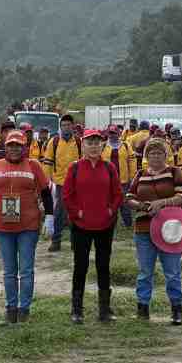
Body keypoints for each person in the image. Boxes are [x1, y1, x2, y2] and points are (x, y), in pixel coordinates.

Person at [0, 129, 51, 324]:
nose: (14, 149)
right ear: (5, 146)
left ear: (24, 147)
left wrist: (50, 217)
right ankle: (11, 308)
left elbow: (45, 192)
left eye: (18, 146)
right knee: (9, 271)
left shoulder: (34, 165)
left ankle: (24, 309)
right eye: (11, 145)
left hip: (28, 225)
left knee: (26, 269)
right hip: (3, 227)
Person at [125, 138, 182, 325]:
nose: (155, 156)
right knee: (145, 271)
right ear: (146, 156)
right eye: (151, 153)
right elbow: (129, 198)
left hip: (170, 230)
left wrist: (162, 203)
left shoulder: (174, 172)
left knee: (172, 272)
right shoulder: (140, 174)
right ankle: (142, 308)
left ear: (166, 154)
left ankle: (176, 310)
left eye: (159, 153)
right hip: (144, 229)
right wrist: (142, 206)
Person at [62, 128, 123, 324]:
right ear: (83, 145)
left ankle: (104, 309)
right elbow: (67, 195)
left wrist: (110, 211)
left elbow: (117, 194)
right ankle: (77, 309)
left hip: (104, 225)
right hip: (81, 226)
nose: (94, 146)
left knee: (103, 266)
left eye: (97, 142)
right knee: (81, 266)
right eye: (90, 142)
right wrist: (76, 213)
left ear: (102, 145)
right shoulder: (75, 168)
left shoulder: (109, 167)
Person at [42, 114, 82, 251]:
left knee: (75, 213)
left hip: (77, 184)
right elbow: (47, 162)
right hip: (60, 183)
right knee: (59, 212)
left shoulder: (79, 142)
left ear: (73, 126)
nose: (66, 127)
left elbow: (84, 162)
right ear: (60, 127)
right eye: (63, 125)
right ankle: (56, 241)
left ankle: (75, 241)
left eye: (68, 125)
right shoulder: (54, 142)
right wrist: (45, 182)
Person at [101, 125, 138, 228]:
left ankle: (128, 224)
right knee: (109, 203)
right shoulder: (103, 146)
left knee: (124, 203)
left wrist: (132, 176)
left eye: (114, 133)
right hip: (107, 181)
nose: (112, 135)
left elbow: (132, 161)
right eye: (110, 133)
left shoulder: (126, 145)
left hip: (123, 180)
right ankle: (110, 223)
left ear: (119, 134)